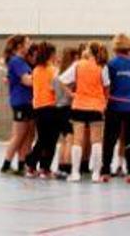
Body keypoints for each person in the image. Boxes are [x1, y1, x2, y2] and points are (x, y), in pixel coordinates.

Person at [59, 41, 109, 182]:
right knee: (96, 141)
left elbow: (62, 80)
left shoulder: (78, 64)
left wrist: (71, 93)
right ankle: (96, 174)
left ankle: (75, 173)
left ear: (89, 51)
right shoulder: (102, 67)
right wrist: (105, 101)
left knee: (77, 140)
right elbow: (107, 86)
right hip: (96, 106)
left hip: (79, 105)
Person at [100, 34, 130, 184]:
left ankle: (105, 171)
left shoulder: (110, 64)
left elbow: (107, 85)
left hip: (114, 104)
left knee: (110, 139)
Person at [24, 42, 59, 178]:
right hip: (51, 107)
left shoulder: (36, 70)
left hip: (38, 107)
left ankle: (32, 167)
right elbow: (56, 89)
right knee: (51, 140)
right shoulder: (53, 70)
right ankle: (43, 167)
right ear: (51, 54)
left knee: (42, 139)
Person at [0, 35, 34, 175]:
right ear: (20, 46)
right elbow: (27, 81)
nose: (29, 45)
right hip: (20, 101)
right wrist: (43, 77)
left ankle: (21, 164)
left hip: (27, 101)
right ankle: (6, 165)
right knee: (19, 135)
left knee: (27, 135)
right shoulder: (16, 61)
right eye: (27, 43)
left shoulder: (22, 61)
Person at [53, 47, 79, 179]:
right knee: (70, 139)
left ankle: (60, 166)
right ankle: (67, 167)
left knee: (63, 140)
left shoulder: (56, 73)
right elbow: (70, 93)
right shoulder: (69, 76)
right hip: (67, 108)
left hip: (57, 108)